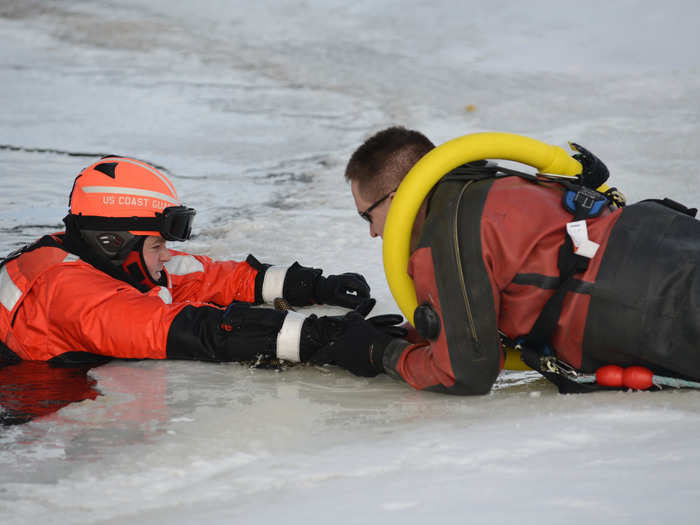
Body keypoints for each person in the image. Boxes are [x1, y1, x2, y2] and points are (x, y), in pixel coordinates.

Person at [322, 126, 700, 394]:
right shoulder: (499, 182)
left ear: (395, 196)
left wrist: (381, 352)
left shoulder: (440, 236)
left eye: (366, 216)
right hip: (665, 238)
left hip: (651, 303)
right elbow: (518, 269)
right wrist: (415, 333)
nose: (372, 233)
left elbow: (464, 372)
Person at [0, 155, 391, 367]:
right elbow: (193, 331)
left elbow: (206, 276)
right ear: (111, 241)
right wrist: (326, 338)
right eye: (156, 245)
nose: (167, 254)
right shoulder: (70, 294)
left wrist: (308, 285)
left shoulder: (98, 256)